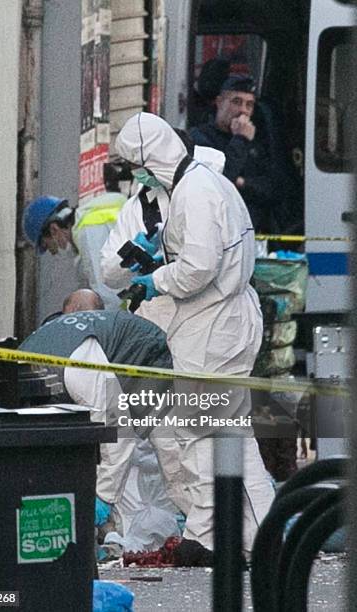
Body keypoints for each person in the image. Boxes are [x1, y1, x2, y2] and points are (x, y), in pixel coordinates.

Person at [115, 111, 275, 564]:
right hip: (220, 323)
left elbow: (198, 269)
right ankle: (222, 535)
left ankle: (244, 536)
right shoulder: (200, 183)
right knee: (211, 433)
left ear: (152, 157)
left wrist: (157, 280)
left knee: (215, 434)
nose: (138, 176)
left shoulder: (197, 191)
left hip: (215, 327)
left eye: (137, 165)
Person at [19, 292, 191, 535]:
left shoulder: (76, 366)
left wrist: (103, 497)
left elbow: (118, 430)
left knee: (173, 457)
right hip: (115, 365)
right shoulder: (31, 361)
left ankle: (210, 534)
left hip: (150, 360)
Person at [100, 131, 226, 332]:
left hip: (208, 317)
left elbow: (201, 267)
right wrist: (134, 251)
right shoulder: (137, 208)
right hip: (154, 323)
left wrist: (161, 279)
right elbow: (109, 274)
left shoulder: (209, 191)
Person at [189, 74, 279, 233]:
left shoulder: (255, 141)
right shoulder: (200, 138)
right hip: (217, 231)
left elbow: (273, 188)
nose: (243, 110)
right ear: (219, 102)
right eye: (236, 102)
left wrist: (242, 183)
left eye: (249, 105)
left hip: (253, 231)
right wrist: (240, 140)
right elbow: (218, 184)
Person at [22, 192, 127, 310]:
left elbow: (108, 294)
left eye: (48, 245)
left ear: (54, 230)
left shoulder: (87, 233)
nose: (53, 252)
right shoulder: (89, 216)